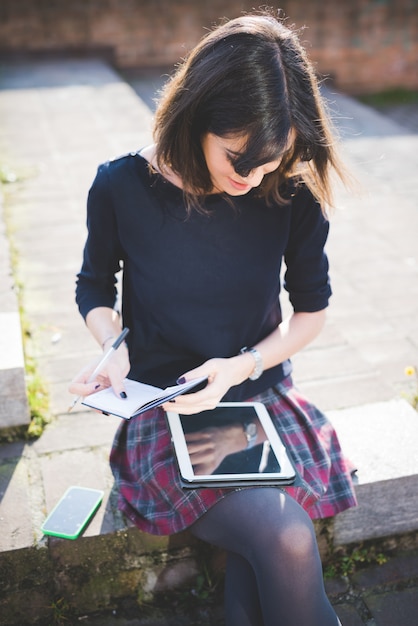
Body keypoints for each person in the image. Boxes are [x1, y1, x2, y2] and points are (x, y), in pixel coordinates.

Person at [69, 10, 356, 626]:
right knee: (283, 538)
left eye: (268, 162)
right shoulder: (120, 185)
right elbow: (93, 288)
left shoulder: (290, 190)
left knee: (264, 554)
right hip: (165, 409)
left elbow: (311, 314)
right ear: (197, 115)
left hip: (262, 399)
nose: (252, 179)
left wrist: (243, 365)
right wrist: (111, 347)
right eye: (237, 158)